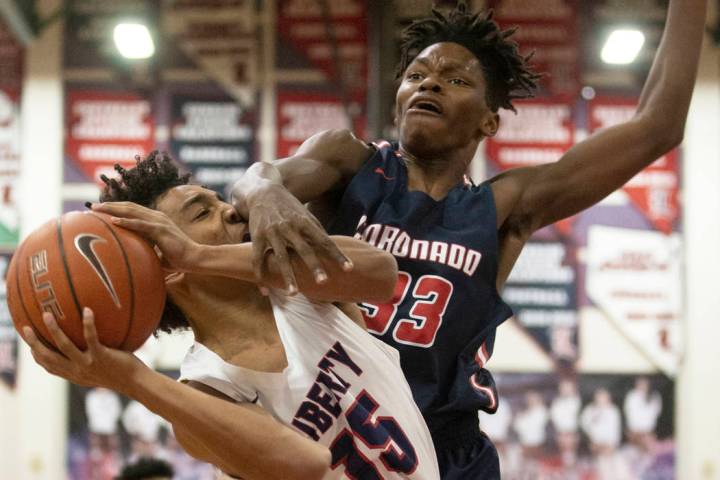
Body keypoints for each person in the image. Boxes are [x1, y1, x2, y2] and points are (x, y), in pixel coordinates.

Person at [230, 1, 707, 477]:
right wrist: (265, 190)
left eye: (456, 80)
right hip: (335, 433)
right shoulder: (351, 164)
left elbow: (657, 128)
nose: (430, 83)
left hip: (446, 450)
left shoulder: (501, 207)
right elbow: (253, 183)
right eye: (416, 76)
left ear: (489, 121)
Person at [22, 153, 440, 479]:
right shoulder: (207, 388)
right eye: (202, 212)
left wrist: (202, 253)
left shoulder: (304, 293)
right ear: (166, 268)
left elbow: (381, 275)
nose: (231, 211)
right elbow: (305, 464)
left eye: (220, 200)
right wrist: (130, 378)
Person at [623, 377, 662, 451]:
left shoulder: (655, 396)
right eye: (640, 383)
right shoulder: (632, 396)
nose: (642, 386)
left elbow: (656, 413)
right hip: (635, 431)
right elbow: (628, 412)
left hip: (648, 430)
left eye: (644, 383)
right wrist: (634, 431)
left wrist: (647, 432)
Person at [550, 379, 581, 466]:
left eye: (568, 388)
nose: (566, 390)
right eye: (563, 388)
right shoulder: (557, 402)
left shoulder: (576, 401)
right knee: (565, 450)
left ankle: (572, 462)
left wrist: (571, 433)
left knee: (570, 450)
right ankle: (565, 463)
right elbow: (554, 416)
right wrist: (561, 431)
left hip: (571, 430)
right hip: (561, 430)